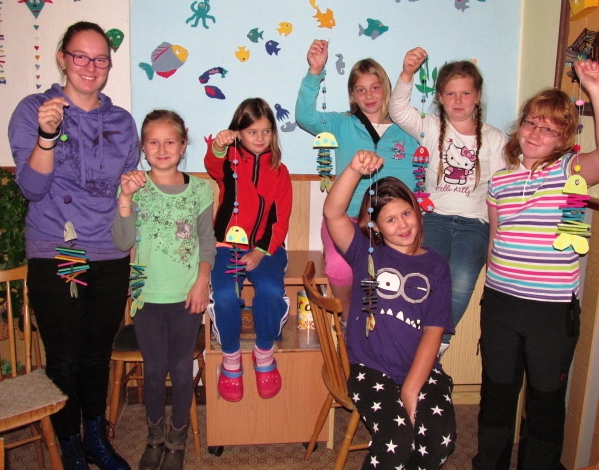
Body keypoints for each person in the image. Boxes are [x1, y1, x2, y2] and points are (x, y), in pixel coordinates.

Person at [473, 59, 599, 470]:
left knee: (545, 400)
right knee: (497, 395)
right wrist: (491, 293)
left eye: (549, 129)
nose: (536, 133)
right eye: (531, 123)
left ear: (564, 138)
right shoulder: (500, 181)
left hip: (551, 311)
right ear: (519, 126)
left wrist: (598, 89)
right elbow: (496, 239)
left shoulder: (569, 172)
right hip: (501, 304)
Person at [8, 21, 139, 470]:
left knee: (97, 354)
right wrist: (47, 135)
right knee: (64, 357)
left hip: (108, 252)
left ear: (109, 65)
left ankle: (95, 437)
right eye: (80, 55)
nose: (90, 66)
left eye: (100, 58)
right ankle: (68, 445)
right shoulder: (34, 109)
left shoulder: (122, 122)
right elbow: (31, 187)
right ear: (62, 58)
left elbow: (124, 190)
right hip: (60, 250)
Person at [323, 149, 457, 470]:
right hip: (371, 370)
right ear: (376, 226)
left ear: (417, 211)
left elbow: (434, 331)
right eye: (391, 219)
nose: (403, 224)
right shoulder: (365, 252)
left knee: (438, 441)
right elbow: (333, 213)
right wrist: (354, 169)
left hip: (420, 368)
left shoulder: (437, 265)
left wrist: (411, 389)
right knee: (396, 439)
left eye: (406, 213)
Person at [112, 110, 214, 470]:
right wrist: (125, 198)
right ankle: (154, 438)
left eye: (170, 141)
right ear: (143, 147)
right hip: (147, 296)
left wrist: (202, 282)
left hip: (187, 296)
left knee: (181, 371)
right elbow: (122, 241)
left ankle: (176, 441)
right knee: (154, 371)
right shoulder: (134, 187)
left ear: (183, 145)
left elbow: (207, 241)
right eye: (153, 142)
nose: (162, 148)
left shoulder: (201, 190)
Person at [389, 48, 507, 356]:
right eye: (450, 94)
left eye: (465, 93)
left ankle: (438, 345)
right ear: (440, 98)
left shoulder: (493, 138)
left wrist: (497, 239)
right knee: (427, 279)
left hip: (475, 224)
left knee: (462, 279)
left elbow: (500, 191)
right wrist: (407, 74)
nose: (458, 100)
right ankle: (413, 336)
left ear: (477, 96)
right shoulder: (430, 126)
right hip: (434, 218)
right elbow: (398, 109)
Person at [296, 39, 417, 318]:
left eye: (375, 87)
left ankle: (384, 328)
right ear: (352, 94)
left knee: (394, 277)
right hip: (346, 220)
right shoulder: (342, 123)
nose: (369, 95)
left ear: (386, 88)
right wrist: (315, 71)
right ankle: (347, 321)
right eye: (361, 89)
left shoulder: (408, 128)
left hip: (392, 224)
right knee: (340, 268)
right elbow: (305, 117)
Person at [204, 98, 292, 402]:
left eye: (266, 131)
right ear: (239, 133)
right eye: (252, 132)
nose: (260, 138)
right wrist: (218, 146)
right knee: (226, 295)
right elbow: (212, 165)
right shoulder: (230, 161)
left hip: (266, 248)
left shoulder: (280, 171)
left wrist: (260, 252)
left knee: (270, 291)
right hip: (226, 246)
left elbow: (281, 219)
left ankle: (264, 350)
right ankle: (230, 356)